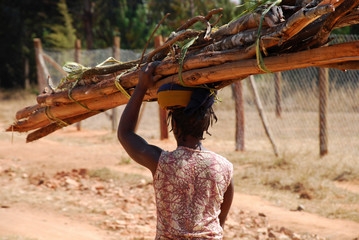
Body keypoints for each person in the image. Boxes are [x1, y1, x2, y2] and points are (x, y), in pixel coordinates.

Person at [117, 62, 234, 239]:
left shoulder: (161, 162)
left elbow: (125, 133)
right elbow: (220, 221)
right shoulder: (224, 168)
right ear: (205, 125)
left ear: (174, 125)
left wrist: (141, 87)